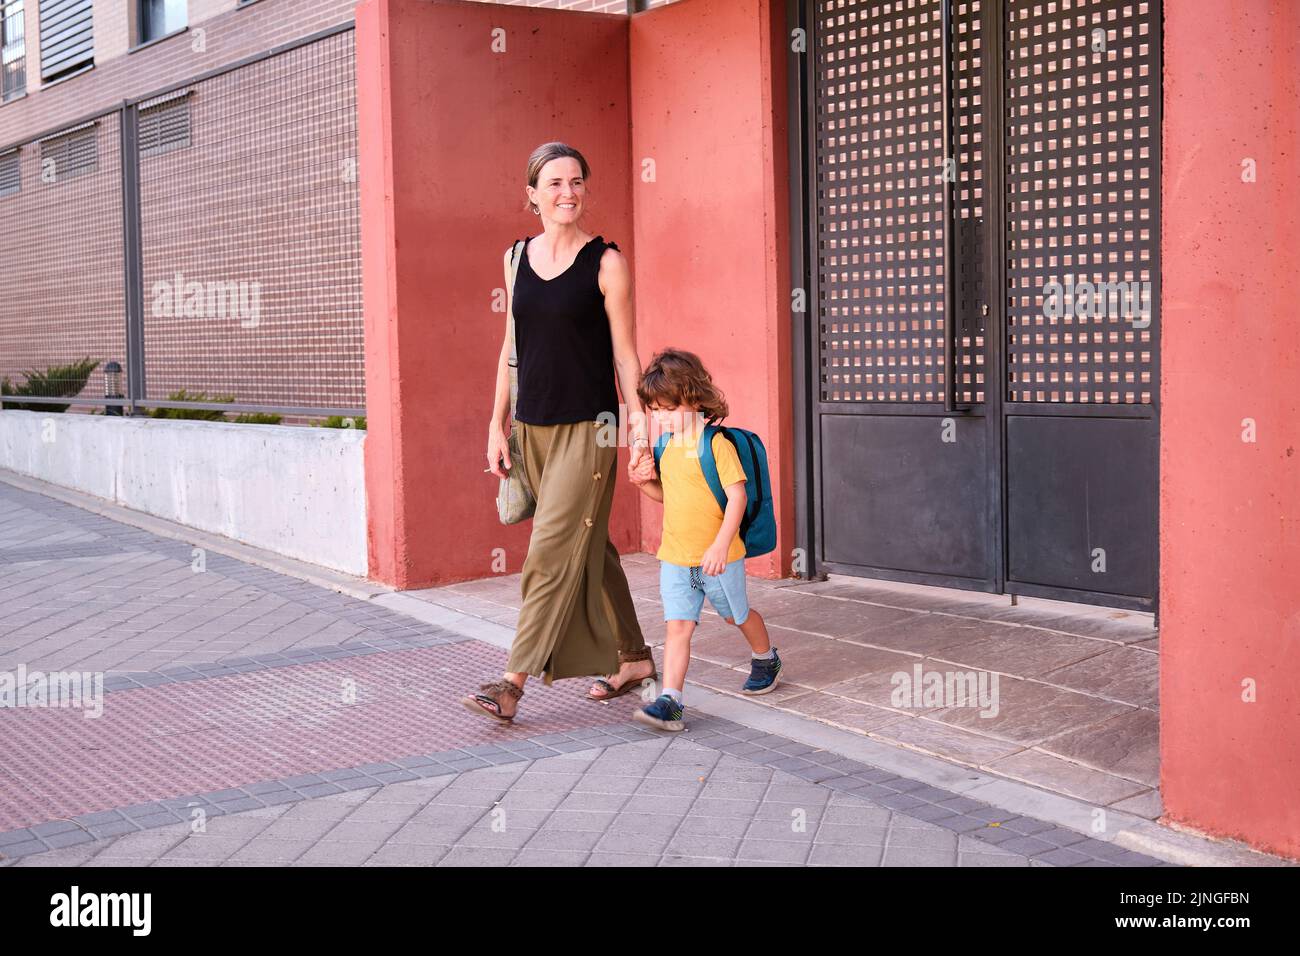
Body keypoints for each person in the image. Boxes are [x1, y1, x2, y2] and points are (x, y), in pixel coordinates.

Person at [465, 142, 657, 722]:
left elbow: (626, 355)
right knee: (589, 547)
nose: (567, 192)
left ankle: (510, 684)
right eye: (554, 183)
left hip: (591, 429)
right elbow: (512, 349)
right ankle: (634, 659)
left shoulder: (607, 263)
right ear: (533, 195)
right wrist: (496, 424)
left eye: (577, 181)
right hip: (532, 428)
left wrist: (640, 428)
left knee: (548, 552)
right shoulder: (515, 258)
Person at [626, 348, 782, 731]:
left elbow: (738, 496)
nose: (661, 418)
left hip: (720, 556)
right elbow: (668, 495)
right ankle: (671, 701)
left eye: (669, 408)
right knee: (677, 627)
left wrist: (719, 545)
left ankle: (766, 658)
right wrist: (643, 482)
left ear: (694, 399)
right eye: (656, 411)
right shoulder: (666, 447)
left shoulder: (716, 445)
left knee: (736, 616)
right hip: (677, 556)